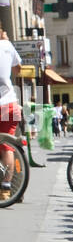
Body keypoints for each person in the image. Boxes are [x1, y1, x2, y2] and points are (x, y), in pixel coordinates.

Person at [0, 28, 22, 198]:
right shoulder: (7, 45)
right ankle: (6, 188)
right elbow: (18, 69)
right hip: (9, 104)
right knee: (8, 147)